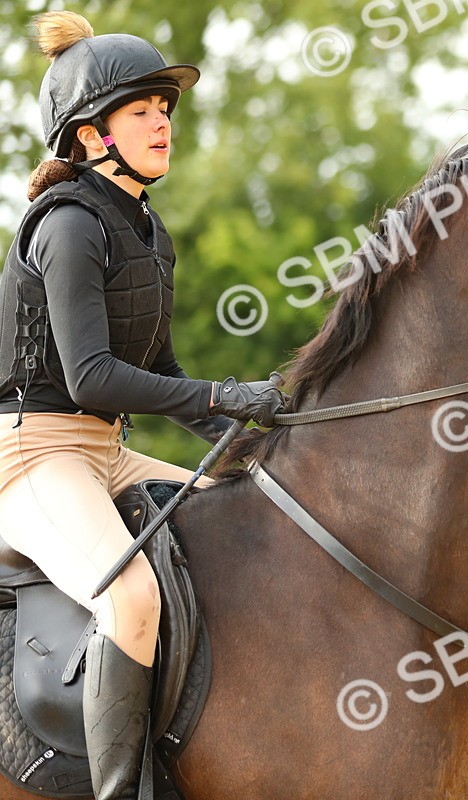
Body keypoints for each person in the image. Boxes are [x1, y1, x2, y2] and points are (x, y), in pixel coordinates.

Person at [0, 11, 285, 798]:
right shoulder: (65, 224)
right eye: (141, 110)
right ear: (92, 136)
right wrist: (224, 393)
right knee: (128, 594)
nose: (162, 121)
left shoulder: (148, 231)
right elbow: (92, 378)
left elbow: (156, 367)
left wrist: (256, 429)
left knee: (251, 518)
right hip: (31, 455)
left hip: (105, 449)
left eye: (165, 108)